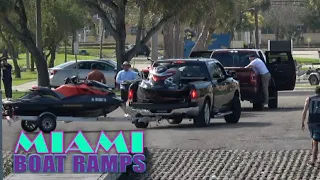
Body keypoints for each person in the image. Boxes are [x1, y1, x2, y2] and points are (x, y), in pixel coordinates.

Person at [302, 86, 320, 166]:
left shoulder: (309, 99)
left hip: (312, 122)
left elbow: (304, 111)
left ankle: (313, 160)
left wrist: (303, 122)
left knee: (314, 140)